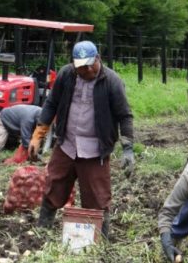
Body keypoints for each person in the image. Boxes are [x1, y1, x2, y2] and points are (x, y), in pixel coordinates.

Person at [28, 40, 134, 238]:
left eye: (89, 65)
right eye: (81, 67)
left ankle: (99, 240)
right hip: (67, 144)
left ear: (98, 59)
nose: (87, 70)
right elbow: (51, 103)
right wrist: (38, 135)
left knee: (98, 198)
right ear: (74, 65)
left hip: (95, 149)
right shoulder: (66, 75)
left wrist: (127, 148)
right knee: (54, 186)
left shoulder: (111, 81)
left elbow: (124, 116)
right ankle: (43, 231)